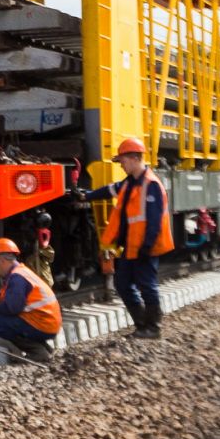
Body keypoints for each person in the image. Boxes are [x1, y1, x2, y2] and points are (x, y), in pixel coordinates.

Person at [83, 136, 173, 339]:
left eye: (122, 161)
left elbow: (154, 221)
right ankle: (142, 325)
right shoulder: (130, 183)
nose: (121, 165)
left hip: (145, 247)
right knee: (123, 284)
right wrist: (86, 195)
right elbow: (110, 190)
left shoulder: (151, 184)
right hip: (131, 246)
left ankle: (153, 328)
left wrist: (146, 247)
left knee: (147, 286)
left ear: (134, 158)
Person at [0, 237, 62, 358]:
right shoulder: (20, 273)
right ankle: (44, 348)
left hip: (44, 325)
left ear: (2, 261)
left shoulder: (17, 278)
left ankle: (37, 352)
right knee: (1, 318)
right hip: (47, 323)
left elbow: (13, 308)